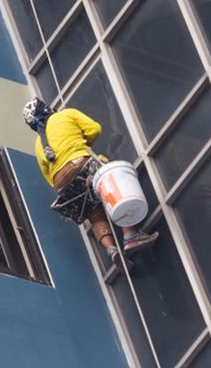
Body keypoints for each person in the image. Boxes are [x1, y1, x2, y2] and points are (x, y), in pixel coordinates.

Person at [22, 98, 157, 267]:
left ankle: (112, 250)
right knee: (111, 180)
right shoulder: (66, 115)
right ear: (46, 109)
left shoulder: (38, 145)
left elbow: (49, 178)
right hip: (79, 163)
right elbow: (95, 129)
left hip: (60, 184)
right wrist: (81, 145)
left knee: (94, 213)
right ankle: (130, 235)